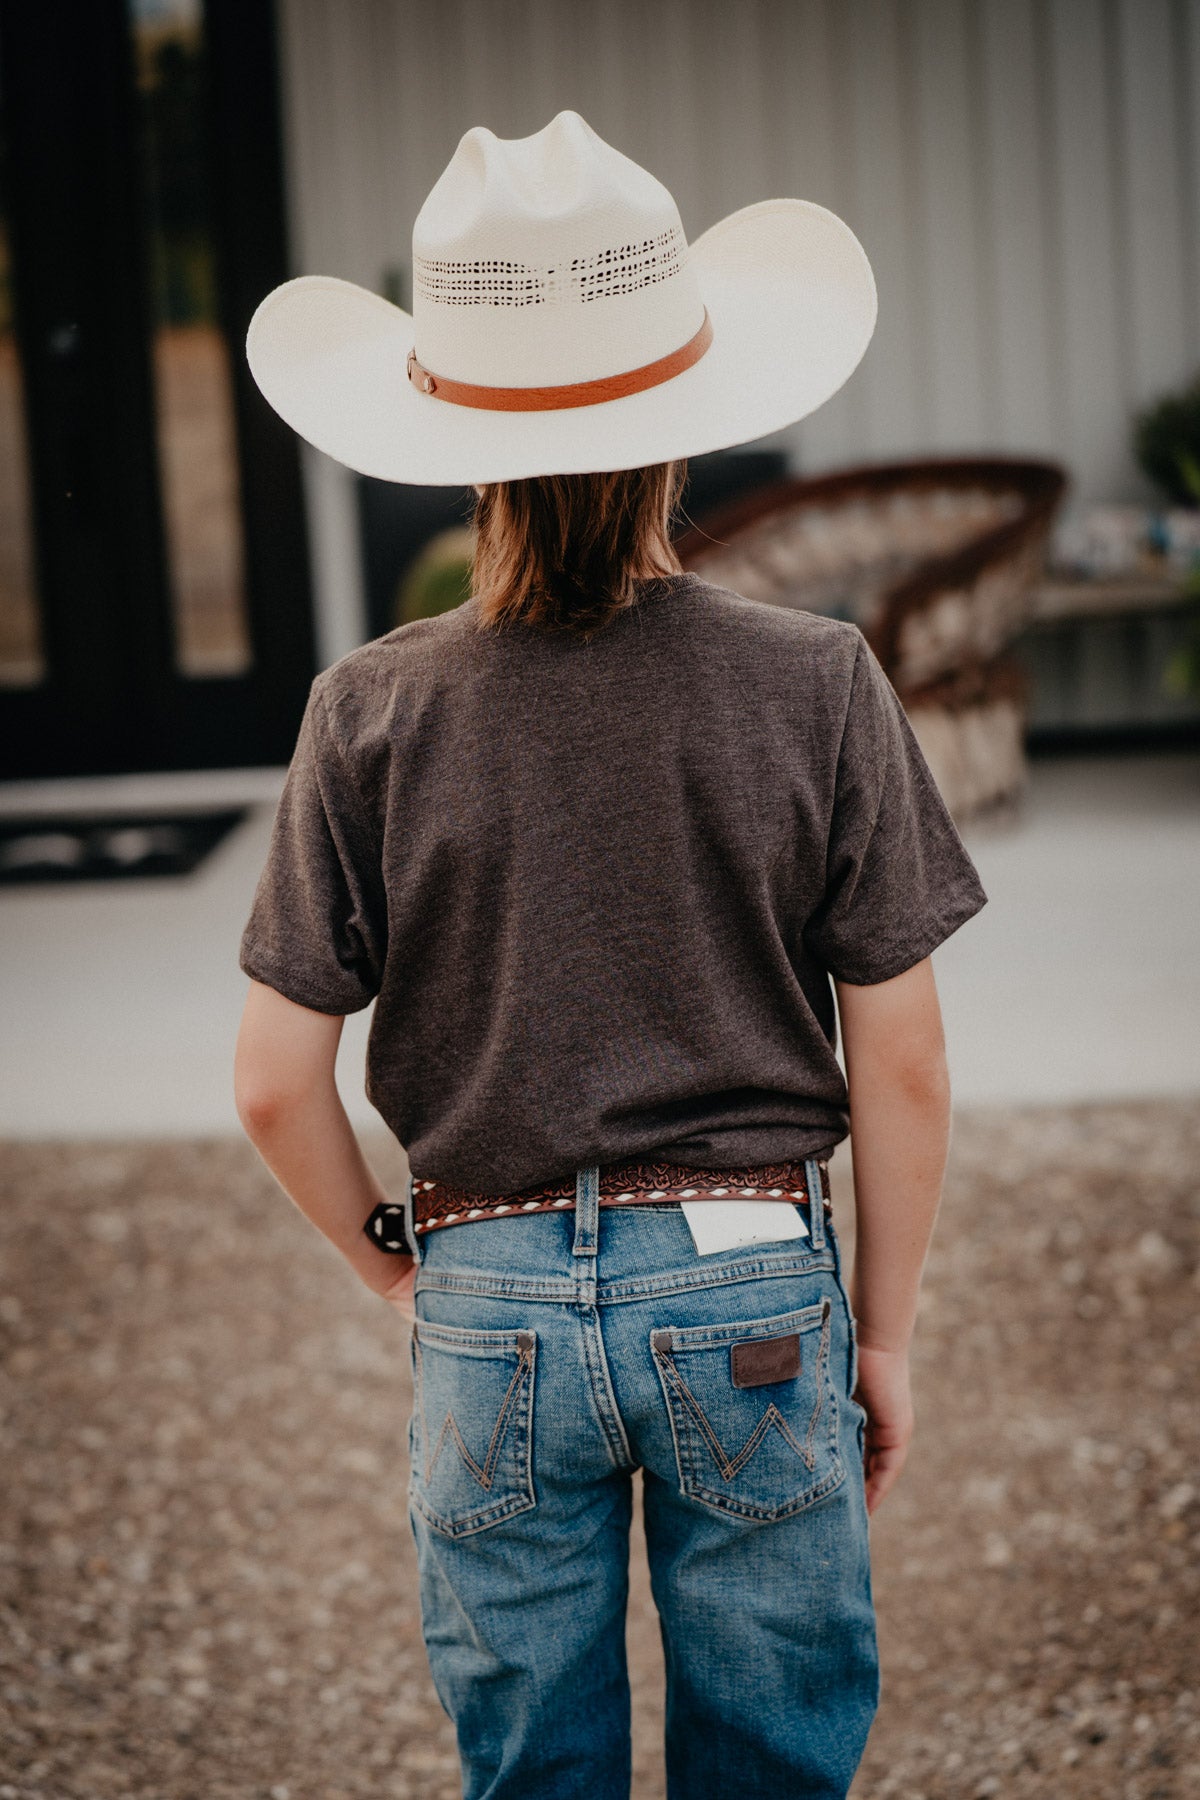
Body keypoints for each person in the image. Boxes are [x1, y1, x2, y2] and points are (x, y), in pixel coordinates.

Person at [233, 110, 987, 1800]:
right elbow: (910, 1060)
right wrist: (883, 1335)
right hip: (748, 1286)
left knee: (531, 1764)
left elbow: (277, 1088)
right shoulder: (817, 682)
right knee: (774, 1751)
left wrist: (402, 1277)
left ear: (458, 447)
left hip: (486, 1288)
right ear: (683, 433)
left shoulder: (368, 711)